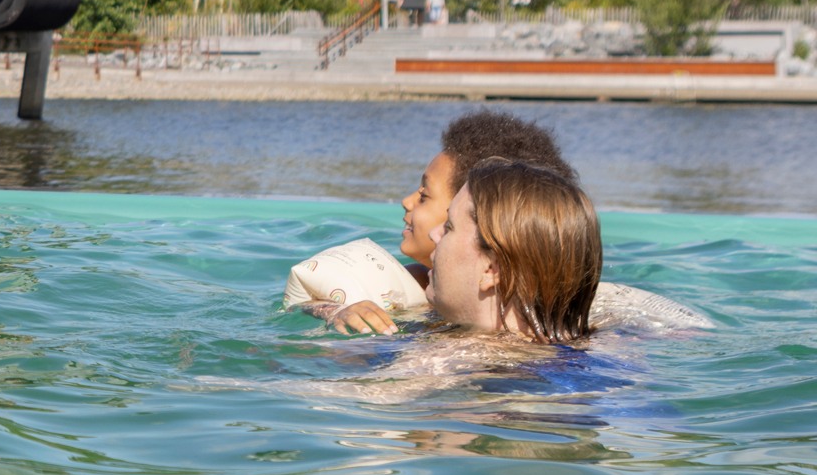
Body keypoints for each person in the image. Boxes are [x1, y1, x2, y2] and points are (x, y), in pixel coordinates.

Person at [287, 108, 707, 334]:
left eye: (447, 222)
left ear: (493, 264)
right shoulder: (578, 328)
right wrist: (332, 311)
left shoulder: (445, 357)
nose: (409, 203)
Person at [426, 158, 602, 343]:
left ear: (492, 270)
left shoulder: (444, 363)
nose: (433, 234)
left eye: (449, 226)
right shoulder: (587, 343)